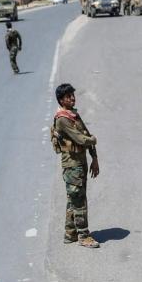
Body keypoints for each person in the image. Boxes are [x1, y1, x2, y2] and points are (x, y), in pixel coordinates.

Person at [51, 83, 101, 248]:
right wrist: (93, 140)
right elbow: (81, 139)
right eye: (68, 96)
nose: (72, 98)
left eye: (72, 95)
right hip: (72, 166)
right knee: (79, 201)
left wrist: (94, 157)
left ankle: (70, 233)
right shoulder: (63, 119)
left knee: (73, 199)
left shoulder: (73, 115)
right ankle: (83, 236)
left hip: (80, 163)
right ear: (61, 100)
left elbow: (84, 133)